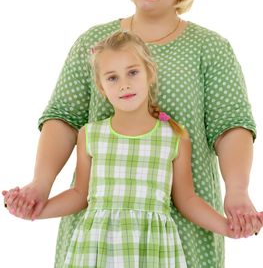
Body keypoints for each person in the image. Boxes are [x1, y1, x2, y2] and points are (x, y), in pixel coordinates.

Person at [2, 0, 261, 268]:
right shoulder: (94, 43)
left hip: (183, 223)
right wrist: (40, 185)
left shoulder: (209, 48)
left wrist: (237, 191)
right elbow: (63, 118)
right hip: (100, 234)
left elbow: (231, 125)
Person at [5, 31, 262, 267]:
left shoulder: (173, 136)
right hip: (96, 248)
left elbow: (187, 200)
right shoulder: (91, 135)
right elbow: (79, 194)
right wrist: (34, 211)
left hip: (154, 250)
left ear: (150, 73)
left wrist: (228, 227)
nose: (124, 84)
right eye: (112, 78)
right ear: (101, 87)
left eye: (133, 72)